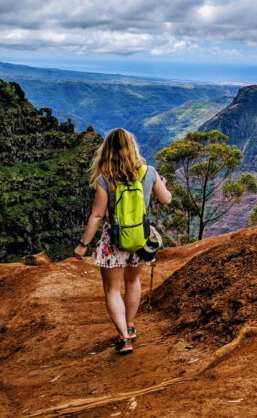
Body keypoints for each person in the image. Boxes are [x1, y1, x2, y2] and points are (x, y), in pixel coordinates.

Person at [73, 128, 172, 355]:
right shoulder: (149, 172)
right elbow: (166, 199)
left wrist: (84, 244)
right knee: (133, 282)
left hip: (113, 240)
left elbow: (97, 215)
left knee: (112, 289)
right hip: (140, 238)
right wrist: (162, 183)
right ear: (133, 147)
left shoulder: (104, 178)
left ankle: (124, 338)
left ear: (107, 150)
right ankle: (130, 325)